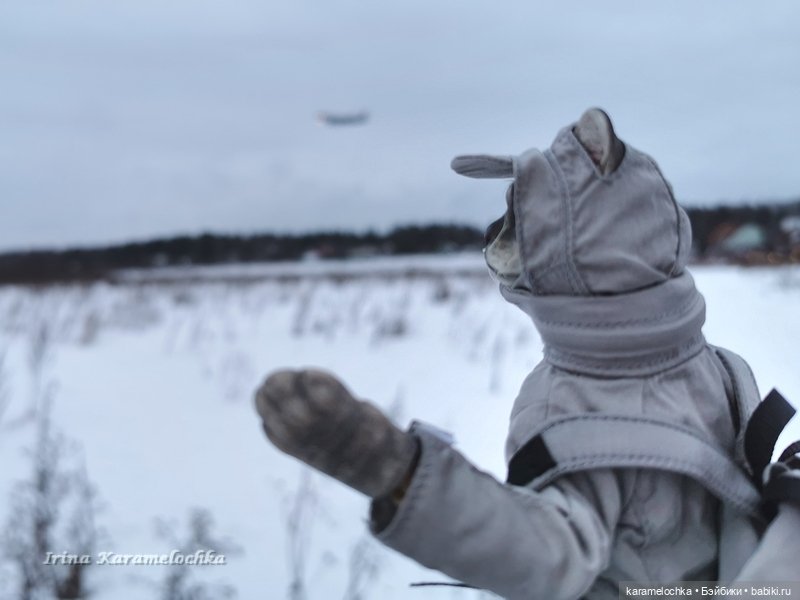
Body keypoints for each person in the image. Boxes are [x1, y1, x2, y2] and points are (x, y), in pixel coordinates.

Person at [255, 109, 798, 599]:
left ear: (580, 262)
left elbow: (545, 556)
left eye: (522, 224)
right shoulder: (718, 364)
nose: (497, 240)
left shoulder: (567, 403)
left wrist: (398, 474)